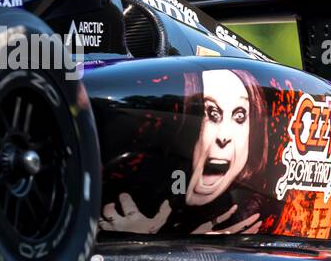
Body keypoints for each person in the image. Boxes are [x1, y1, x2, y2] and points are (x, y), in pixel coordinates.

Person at [100, 67, 269, 236]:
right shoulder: (143, 181)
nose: (224, 136)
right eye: (211, 113)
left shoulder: (248, 208)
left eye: (239, 116)